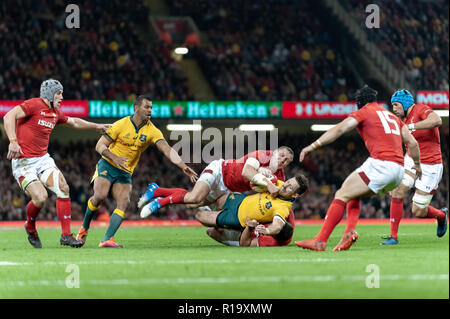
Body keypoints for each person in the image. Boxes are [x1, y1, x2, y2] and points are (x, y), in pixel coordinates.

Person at [294, 86, 422, 252]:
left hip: (381, 164)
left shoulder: (364, 111)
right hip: (398, 170)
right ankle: (349, 232)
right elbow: (412, 143)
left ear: (359, 103)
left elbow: (340, 128)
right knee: (353, 194)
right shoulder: (393, 117)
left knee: (341, 194)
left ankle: (320, 241)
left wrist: (313, 146)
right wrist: (417, 165)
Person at [76, 94, 198, 248]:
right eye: (147, 107)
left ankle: (107, 239)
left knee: (124, 202)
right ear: (136, 108)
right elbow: (99, 145)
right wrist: (114, 157)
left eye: (151, 108)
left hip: (125, 171)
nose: (150, 110)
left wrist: (183, 166)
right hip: (107, 164)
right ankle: (84, 229)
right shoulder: (121, 124)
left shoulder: (152, 130)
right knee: (99, 196)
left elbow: (166, 149)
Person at [3, 79, 110, 248]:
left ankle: (66, 235)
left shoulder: (55, 112)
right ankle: (30, 226)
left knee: (63, 188)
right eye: (59, 93)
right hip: (23, 162)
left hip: (42, 159)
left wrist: (96, 126)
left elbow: (74, 122)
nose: (62, 97)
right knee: (41, 198)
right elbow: (9, 116)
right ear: (49, 93)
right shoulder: (34, 104)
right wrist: (13, 141)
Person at [138, 147, 294, 217]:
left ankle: (156, 191)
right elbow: (246, 172)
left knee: (192, 203)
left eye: (286, 160)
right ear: (274, 152)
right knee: (194, 198)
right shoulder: (262, 155)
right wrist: (265, 180)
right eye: (281, 155)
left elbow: (277, 195)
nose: (282, 160)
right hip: (220, 170)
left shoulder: (280, 178)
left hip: (227, 188)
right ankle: (160, 203)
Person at [381, 89, 447, 245]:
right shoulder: (399, 121)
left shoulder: (420, 109)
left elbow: (437, 120)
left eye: (396, 105)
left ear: (405, 104)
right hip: (411, 160)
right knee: (397, 190)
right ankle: (393, 237)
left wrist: (411, 126)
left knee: (418, 211)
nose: (394, 109)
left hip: (431, 165)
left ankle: (441, 216)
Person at [195, 175, 309, 239]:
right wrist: (263, 174)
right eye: (288, 181)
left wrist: (268, 230)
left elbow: (278, 226)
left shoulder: (283, 208)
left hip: (237, 218)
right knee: (217, 200)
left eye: (290, 187)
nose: (285, 185)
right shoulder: (278, 182)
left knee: (200, 216)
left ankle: (217, 222)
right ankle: (206, 210)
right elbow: (260, 176)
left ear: (295, 195)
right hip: (240, 199)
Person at [206, 209, 296, 247]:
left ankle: (208, 211)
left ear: (274, 235)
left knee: (211, 231)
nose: (270, 225)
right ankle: (212, 212)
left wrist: (249, 228)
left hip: (244, 234)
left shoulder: (271, 242)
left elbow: (245, 243)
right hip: (247, 218)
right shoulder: (287, 215)